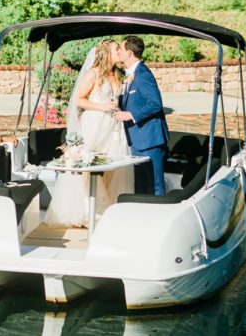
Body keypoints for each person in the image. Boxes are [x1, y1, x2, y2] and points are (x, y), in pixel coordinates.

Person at [44, 39, 133, 227]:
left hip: (111, 127)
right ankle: (88, 211)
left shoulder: (116, 75)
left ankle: (110, 208)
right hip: (94, 125)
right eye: (116, 48)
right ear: (106, 52)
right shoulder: (93, 74)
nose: (119, 51)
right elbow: (79, 100)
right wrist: (101, 106)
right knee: (89, 168)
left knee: (110, 168)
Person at [114, 35, 169, 195]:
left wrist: (130, 115)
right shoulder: (130, 73)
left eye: (121, 49)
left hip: (150, 140)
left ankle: (159, 216)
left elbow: (155, 104)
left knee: (155, 185)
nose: (119, 52)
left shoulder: (143, 74)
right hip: (136, 140)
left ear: (129, 53)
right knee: (140, 185)